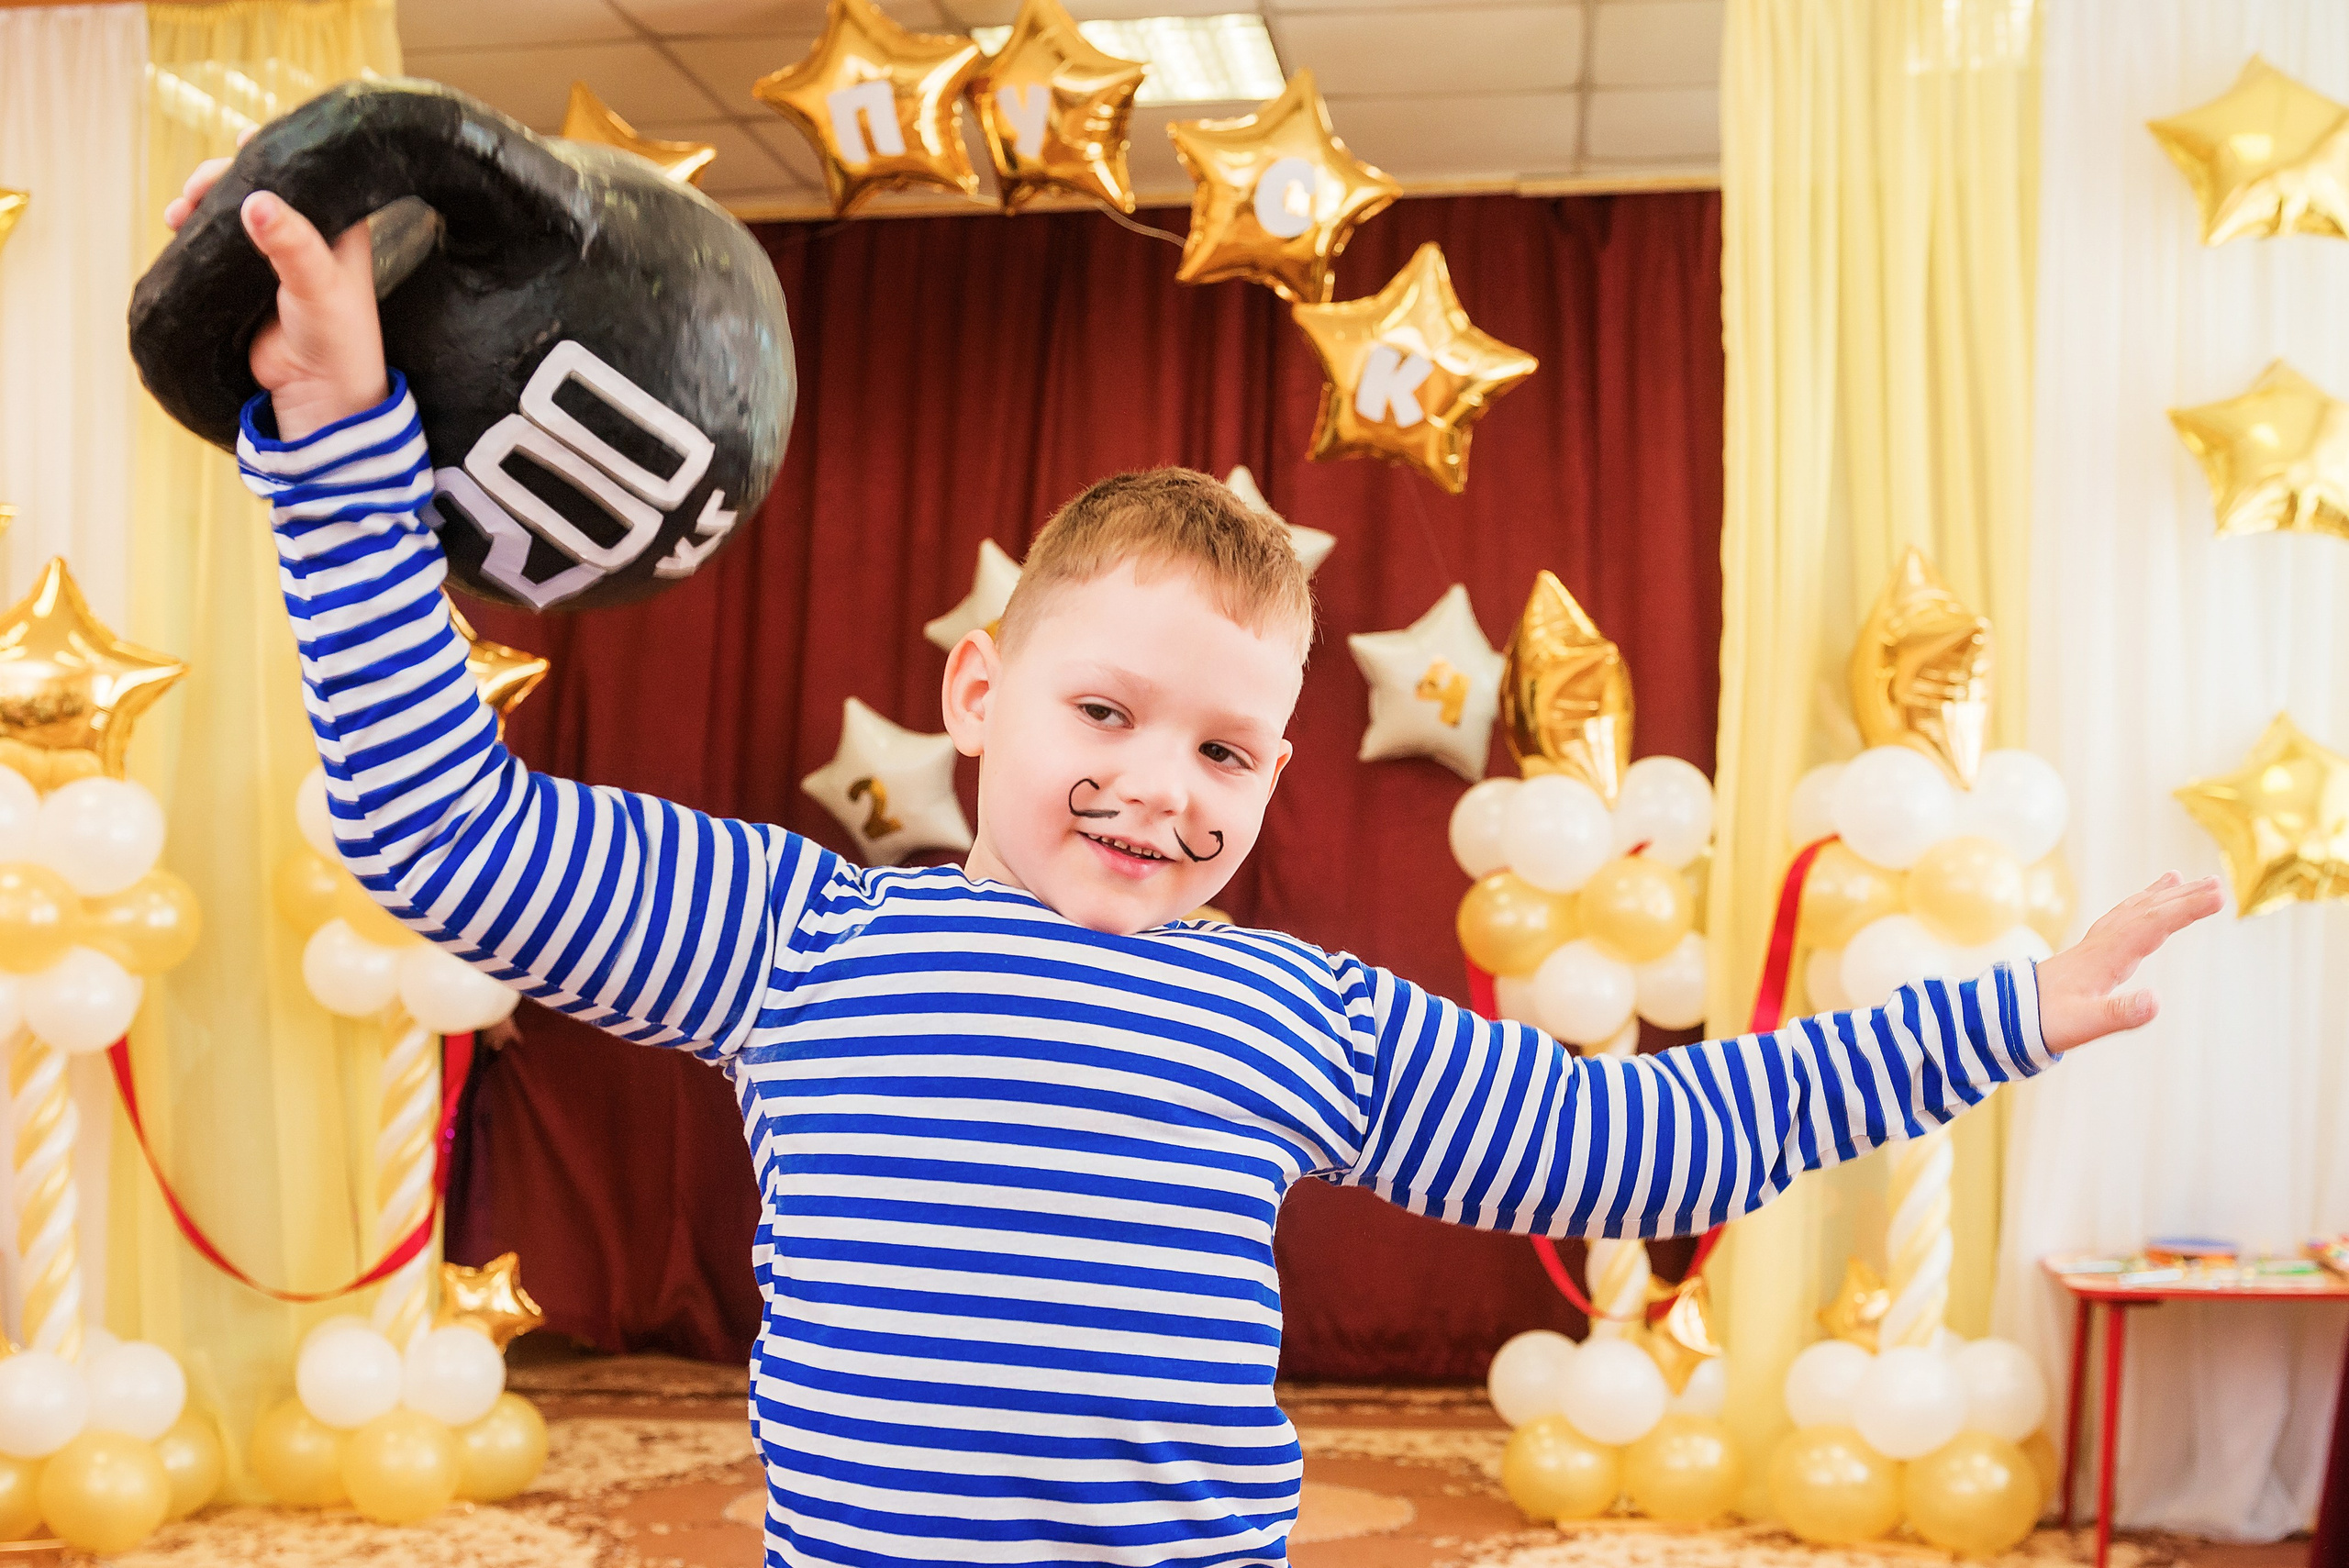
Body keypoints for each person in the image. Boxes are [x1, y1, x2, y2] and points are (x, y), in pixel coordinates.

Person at [167, 156, 2221, 1568]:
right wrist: (345, 454)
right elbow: (434, 824)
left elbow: (1650, 1151)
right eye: (1105, 714)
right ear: (978, 692)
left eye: (1226, 745)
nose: (1164, 784)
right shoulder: (793, 940)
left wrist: (2003, 1014)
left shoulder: (1289, 1012)